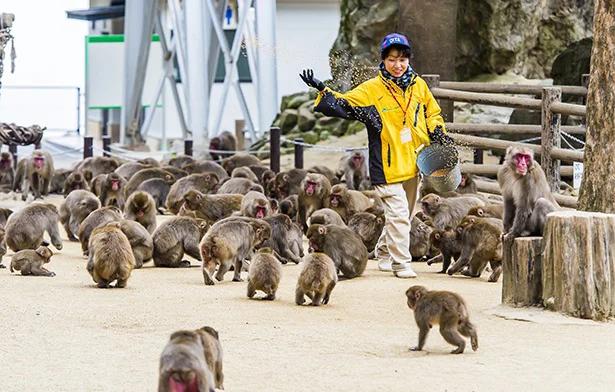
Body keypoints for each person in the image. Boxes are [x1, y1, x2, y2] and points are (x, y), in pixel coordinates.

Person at [299, 32, 453, 278]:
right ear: (383, 60)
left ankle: (383, 252)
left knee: (405, 214)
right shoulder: (372, 89)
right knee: (400, 213)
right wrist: (322, 90)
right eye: (392, 59)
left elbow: (432, 113)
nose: (397, 65)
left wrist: (439, 132)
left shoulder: (419, 85)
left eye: (402, 59)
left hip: (414, 161)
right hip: (387, 164)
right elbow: (345, 104)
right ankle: (401, 263)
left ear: (409, 59)